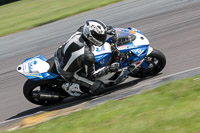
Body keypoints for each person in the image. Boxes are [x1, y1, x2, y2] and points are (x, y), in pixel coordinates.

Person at [54, 20, 119, 96]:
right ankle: (71, 87)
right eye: (100, 37)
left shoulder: (83, 30)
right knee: (98, 87)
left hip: (59, 53)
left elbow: (93, 29)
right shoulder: (87, 55)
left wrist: (106, 30)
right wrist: (109, 68)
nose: (102, 38)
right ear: (91, 36)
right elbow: (91, 75)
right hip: (67, 73)